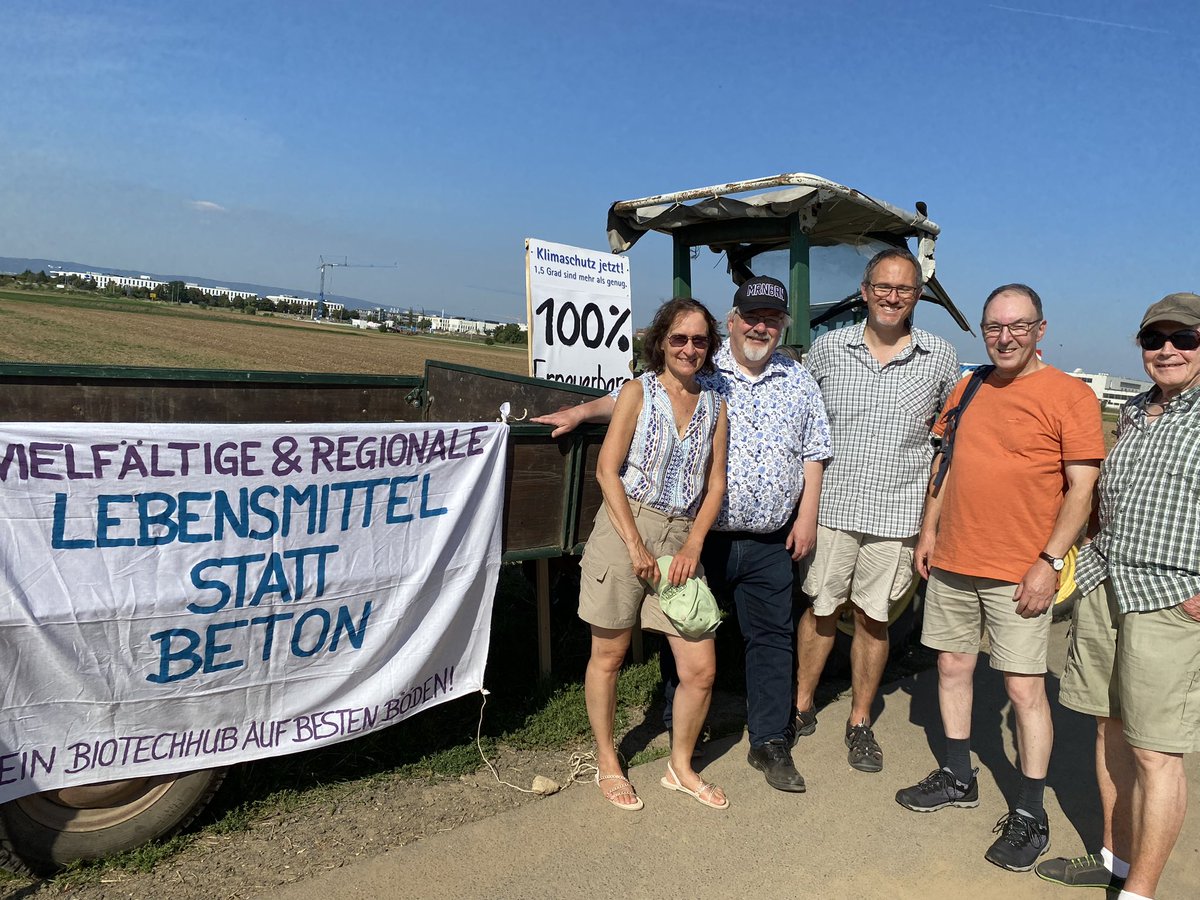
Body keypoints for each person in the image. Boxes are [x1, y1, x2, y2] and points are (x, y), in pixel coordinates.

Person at [534, 276, 831, 793]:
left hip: (739, 538)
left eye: (772, 318)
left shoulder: (782, 382)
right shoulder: (697, 380)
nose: (761, 325)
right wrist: (581, 410)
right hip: (672, 533)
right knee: (626, 652)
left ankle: (757, 743)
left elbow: (810, 451)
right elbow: (621, 429)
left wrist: (804, 515)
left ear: (782, 325)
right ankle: (627, 753)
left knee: (751, 643)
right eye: (680, 339)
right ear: (733, 321)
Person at [895, 284, 1105, 873]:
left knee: (1023, 689)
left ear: (1040, 329)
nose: (1004, 337)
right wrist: (929, 531)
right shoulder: (970, 385)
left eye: (1017, 326)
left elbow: (1082, 488)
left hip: (1022, 570)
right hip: (956, 558)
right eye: (993, 326)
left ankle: (1031, 811)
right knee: (952, 666)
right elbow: (948, 460)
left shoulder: (1071, 396)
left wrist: (1051, 561)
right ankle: (959, 775)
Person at [1037, 292, 1200, 899]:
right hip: (1109, 586)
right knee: (1108, 730)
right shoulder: (1133, 411)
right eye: (1155, 338)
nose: (1167, 350)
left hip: (1173, 596)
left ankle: (1140, 894)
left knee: (1156, 753)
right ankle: (1116, 860)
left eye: (1185, 339)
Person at [792, 247, 958, 774]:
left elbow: (946, 449)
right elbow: (801, 425)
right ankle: (799, 706)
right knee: (820, 607)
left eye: (903, 289)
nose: (892, 297)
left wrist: (932, 526)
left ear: (917, 296)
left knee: (874, 617)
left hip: (897, 517)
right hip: (833, 508)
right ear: (864, 292)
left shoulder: (940, 358)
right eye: (882, 287)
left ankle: (860, 720)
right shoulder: (827, 349)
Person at [578, 297, 729, 811]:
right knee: (610, 655)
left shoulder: (716, 399)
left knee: (700, 667)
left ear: (710, 347)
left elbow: (715, 484)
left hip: (682, 538)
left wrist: (693, 544)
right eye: (679, 338)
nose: (689, 349)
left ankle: (680, 766)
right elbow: (607, 470)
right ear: (661, 341)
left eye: (700, 340)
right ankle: (607, 761)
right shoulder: (638, 391)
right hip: (627, 528)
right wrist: (635, 544)